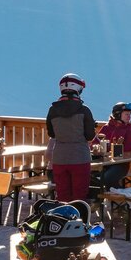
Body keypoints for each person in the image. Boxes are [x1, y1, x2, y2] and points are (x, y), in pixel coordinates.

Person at [46, 73, 96, 202]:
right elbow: (89, 136)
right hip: (80, 157)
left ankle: (62, 214)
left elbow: (52, 134)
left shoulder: (52, 110)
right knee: (79, 196)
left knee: (62, 195)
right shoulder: (84, 110)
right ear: (78, 89)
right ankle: (78, 215)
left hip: (59, 158)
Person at [92, 102, 131, 189]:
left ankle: (120, 196)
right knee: (90, 177)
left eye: (129, 114)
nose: (129, 116)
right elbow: (95, 143)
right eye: (126, 114)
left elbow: (129, 149)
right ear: (118, 114)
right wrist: (96, 149)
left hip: (120, 164)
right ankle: (98, 196)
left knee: (107, 178)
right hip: (103, 163)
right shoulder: (106, 128)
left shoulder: (129, 130)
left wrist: (112, 149)